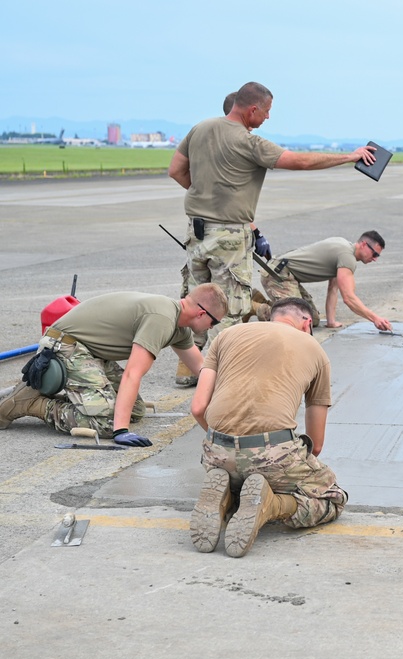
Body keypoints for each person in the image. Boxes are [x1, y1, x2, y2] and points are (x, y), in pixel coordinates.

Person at [167, 81, 377, 352]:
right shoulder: (249, 142)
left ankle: (189, 366)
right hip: (229, 236)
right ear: (252, 109)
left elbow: (176, 170)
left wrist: (206, 196)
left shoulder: (200, 128)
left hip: (196, 232)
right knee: (229, 307)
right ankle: (221, 369)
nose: (267, 117)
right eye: (266, 111)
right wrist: (350, 156)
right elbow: (300, 162)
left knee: (195, 301)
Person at [189, 297, 347, 558]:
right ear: (307, 323)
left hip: (217, 451)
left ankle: (230, 494)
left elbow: (197, 408)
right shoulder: (314, 349)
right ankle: (273, 505)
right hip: (271, 451)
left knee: (244, 479)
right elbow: (316, 444)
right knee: (333, 499)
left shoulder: (226, 336)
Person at [0, 285, 227, 444]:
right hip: (66, 345)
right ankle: (30, 404)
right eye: (214, 321)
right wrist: (120, 430)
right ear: (200, 313)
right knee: (108, 423)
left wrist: (237, 397)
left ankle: (71, 399)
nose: (212, 327)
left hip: (90, 350)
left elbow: (203, 370)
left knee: (134, 411)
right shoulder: (162, 318)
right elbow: (132, 374)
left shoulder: (180, 326)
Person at [259, 231, 390, 331]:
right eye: (375, 254)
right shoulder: (347, 257)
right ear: (363, 245)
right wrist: (375, 318)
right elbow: (349, 298)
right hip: (277, 274)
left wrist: (331, 322)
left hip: (288, 275)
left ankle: (267, 303)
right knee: (298, 321)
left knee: (312, 320)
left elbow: (333, 288)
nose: (375, 259)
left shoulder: (343, 248)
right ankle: (257, 307)